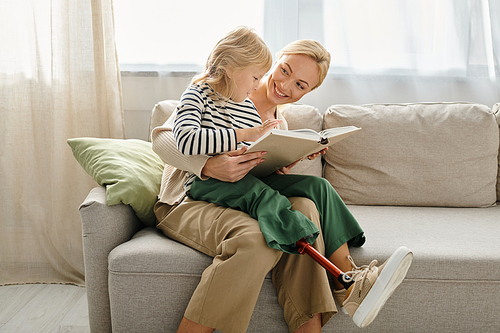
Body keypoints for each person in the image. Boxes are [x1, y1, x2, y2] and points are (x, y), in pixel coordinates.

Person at [152, 29, 412, 333]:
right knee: (269, 232)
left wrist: (287, 158)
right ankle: (346, 280)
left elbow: (253, 174)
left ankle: (348, 281)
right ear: (274, 62)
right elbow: (163, 141)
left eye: (299, 84)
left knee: (307, 205)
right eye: (284, 70)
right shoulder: (219, 88)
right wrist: (209, 165)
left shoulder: (279, 123)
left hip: (240, 192)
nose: (285, 85)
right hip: (189, 196)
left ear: (307, 92)